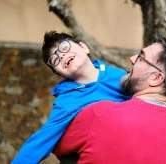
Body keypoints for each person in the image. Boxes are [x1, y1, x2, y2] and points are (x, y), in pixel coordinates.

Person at [52, 34, 166, 164]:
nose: (132, 59)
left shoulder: (100, 114)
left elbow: (56, 145)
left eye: (141, 57)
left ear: (156, 78)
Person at [11, 31, 130, 164]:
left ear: (84, 47)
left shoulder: (118, 75)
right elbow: (41, 141)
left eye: (64, 47)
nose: (61, 56)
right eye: (55, 60)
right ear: (59, 73)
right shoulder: (67, 101)